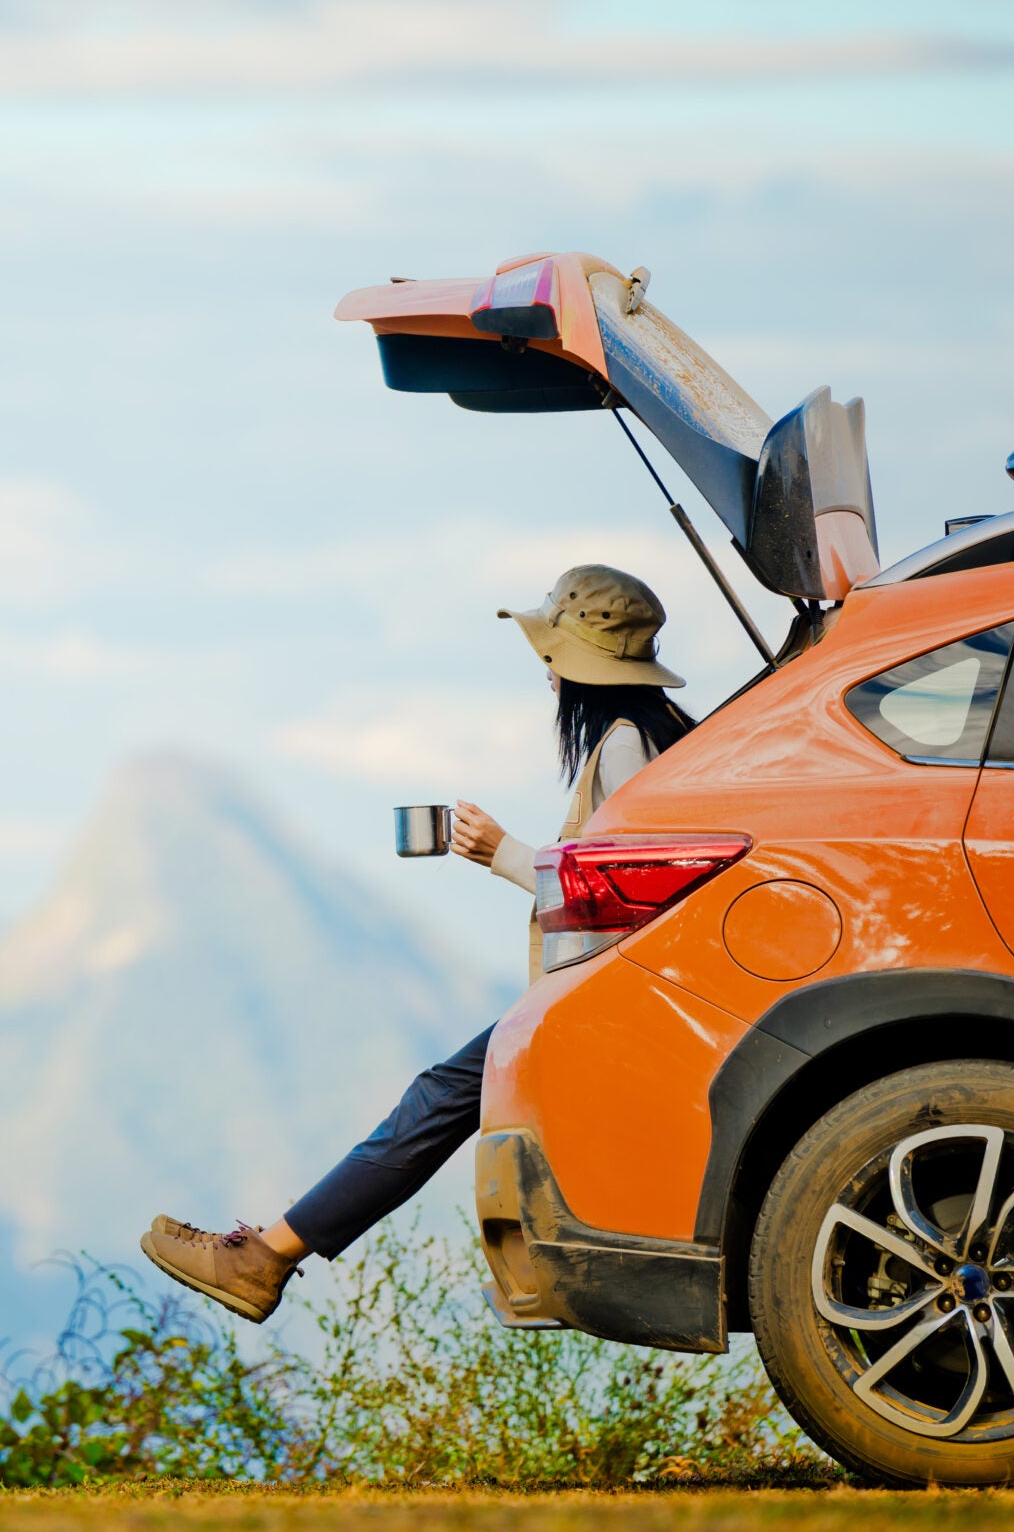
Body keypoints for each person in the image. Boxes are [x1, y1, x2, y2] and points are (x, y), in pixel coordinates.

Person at [139, 563, 698, 1322]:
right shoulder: (670, 733)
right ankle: (268, 1253)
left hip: (617, 994)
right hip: (628, 990)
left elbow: (635, 896)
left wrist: (502, 852)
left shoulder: (628, 747)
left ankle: (263, 1258)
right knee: (445, 1094)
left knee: (439, 1097)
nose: (547, 678)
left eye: (551, 660)